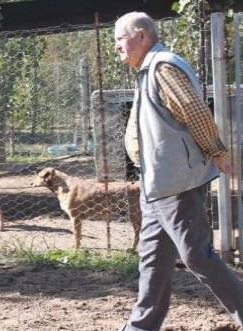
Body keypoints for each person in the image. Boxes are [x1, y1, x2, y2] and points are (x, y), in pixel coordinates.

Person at [113, 12, 243, 331]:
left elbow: (194, 110)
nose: (116, 46)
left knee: (197, 256)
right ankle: (141, 327)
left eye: (120, 38)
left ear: (141, 35)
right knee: (153, 261)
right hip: (157, 184)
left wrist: (216, 151)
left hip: (176, 184)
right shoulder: (147, 70)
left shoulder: (163, 66)